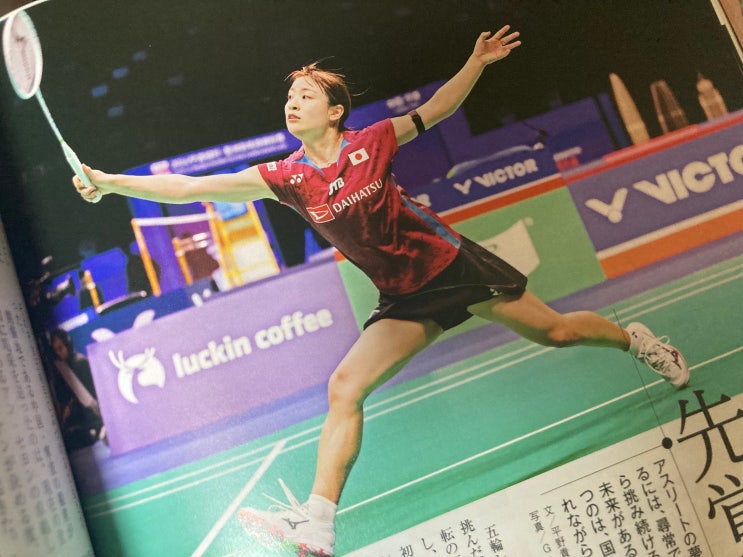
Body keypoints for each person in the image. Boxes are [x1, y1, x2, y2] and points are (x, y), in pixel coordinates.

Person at [73, 26, 689, 556]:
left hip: (453, 266)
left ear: (334, 111)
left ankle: (637, 341)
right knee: (344, 387)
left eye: (305, 95)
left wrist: (476, 62)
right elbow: (190, 188)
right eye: (289, 97)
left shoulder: (373, 141)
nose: (292, 104)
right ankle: (318, 522)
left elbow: (439, 108)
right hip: (404, 298)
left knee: (556, 332)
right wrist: (111, 183)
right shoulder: (285, 177)